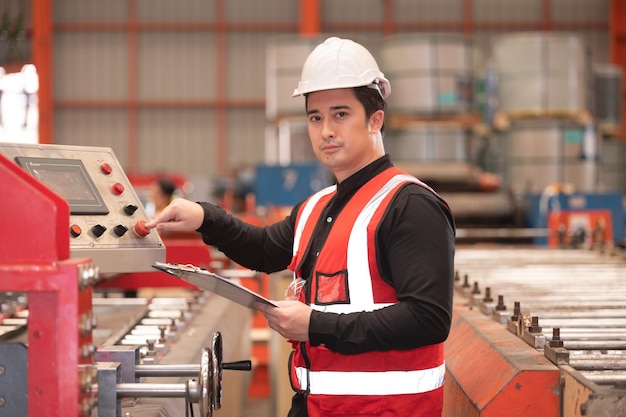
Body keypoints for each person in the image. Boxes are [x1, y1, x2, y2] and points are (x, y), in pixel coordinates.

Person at [146, 37, 456, 417]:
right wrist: (204, 217)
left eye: (340, 114)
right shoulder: (317, 207)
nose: (325, 130)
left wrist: (316, 325)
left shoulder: (410, 205)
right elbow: (261, 249)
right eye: (315, 117)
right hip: (315, 406)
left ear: (376, 119)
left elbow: (428, 319)